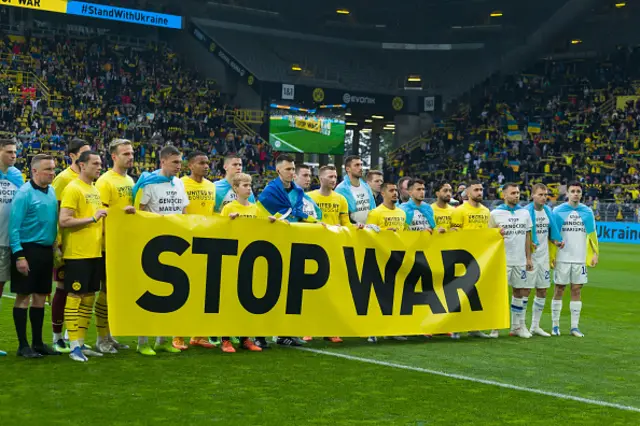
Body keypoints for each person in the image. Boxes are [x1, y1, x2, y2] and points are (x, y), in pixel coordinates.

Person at [132, 145, 189, 355]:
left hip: (174, 246)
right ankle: (142, 341)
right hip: (151, 245)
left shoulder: (179, 183)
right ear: (163, 161)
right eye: (175, 162)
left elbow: (183, 211)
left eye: (180, 162)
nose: (178, 166)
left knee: (172, 294)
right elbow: (139, 211)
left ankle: (163, 339)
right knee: (149, 294)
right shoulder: (148, 183)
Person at [219, 172, 277, 353]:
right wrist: (229, 222)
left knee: (246, 300)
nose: (248, 188)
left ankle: (245, 338)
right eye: (244, 185)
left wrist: (271, 222)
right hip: (232, 258)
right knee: (229, 301)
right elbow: (219, 230)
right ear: (235, 188)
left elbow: (261, 230)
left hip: (249, 259)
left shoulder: (255, 209)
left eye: (250, 184)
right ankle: (225, 339)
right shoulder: (229, 208)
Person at [59, 151, 107, 362]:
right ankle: (73, 346)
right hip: (77, 253)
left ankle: (81, 342)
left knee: (88, 298)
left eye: (100, 163)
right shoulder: (73, 188)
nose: (99, 167)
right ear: (81, 165)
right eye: (95, 163)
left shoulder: (94, 189)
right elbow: (64, 221)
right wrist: (92, 218)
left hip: (94, 252)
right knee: (75, 296)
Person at [9, 154, 57, 358]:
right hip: (27, 250)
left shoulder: (52, 191)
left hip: (46, 252)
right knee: (23, 297)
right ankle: (23, 345)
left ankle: (38, 343)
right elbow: (14, 228)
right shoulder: (24, 194)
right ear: (34, 171)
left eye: (53, 169)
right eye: (48, 169)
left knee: (39, 297)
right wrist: (19, 256)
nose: (52, 173)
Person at [94, 139, 135, 354]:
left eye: (132, 153)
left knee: (115, 293)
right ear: (114, 157)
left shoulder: (130, 180)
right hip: (106, 245)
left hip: (123, 244)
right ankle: (102, 338)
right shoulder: (105, 181)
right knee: (105, 292)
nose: (130, 157)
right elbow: (99, 213)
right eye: (126, 153)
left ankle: (110, 335)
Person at [51, 138, 90, 353]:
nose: (87, 156)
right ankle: (57, 337)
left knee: (81, 291)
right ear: (73, 156)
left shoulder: (89, 179)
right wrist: (56, 242)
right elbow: (55, 211)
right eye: (83, 152)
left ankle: (71, 335)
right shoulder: (63, 179)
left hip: (84, 244)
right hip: (65, 242)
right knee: (63, 288)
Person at [307, 165, 352, 343]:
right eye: (330, 176)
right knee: (311, 290)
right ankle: (307, 328)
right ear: (321, 178)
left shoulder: (341, 199)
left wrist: (349, 229)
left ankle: (330, 329)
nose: (334, 179)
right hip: (313, 248)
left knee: (332, 291)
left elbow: (345, 222)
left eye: (335, 176)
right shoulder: (309, 197)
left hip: (334, 248)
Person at [551, 182, 599, 337]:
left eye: (578, 191)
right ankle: (555, 325)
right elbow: (551, 233)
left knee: (577, 289)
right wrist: (552, 253)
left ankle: (574, 327)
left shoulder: (587, 211)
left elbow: (592, 234)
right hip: (562, 257)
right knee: (559, 289)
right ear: (568, 193)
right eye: (573, 191)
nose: (576, 194)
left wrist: (594, 254)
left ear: (582, 193)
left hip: (579, 257)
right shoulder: (558, 211)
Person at [179, 150, 217, 350]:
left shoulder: (211, 186)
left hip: (206, 242)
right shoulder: (181, 183)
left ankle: (199, 335)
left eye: (207, 163)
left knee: (203, 291)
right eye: (201, 162)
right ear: (190, 165)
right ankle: (178, 335)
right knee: (183, 290)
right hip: (186, 242)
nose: (206, 166)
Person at [489, 183, 533, 339]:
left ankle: (518, 326)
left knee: (519, 292)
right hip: (502, 260)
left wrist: (528, 257)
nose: (517, 195)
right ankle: (494, 328)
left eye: (518, 192)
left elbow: (528, 235)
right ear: (504, 195)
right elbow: (489, 236)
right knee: (499, 294)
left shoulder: (524, 213)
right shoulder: (495, 213)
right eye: (513, 192)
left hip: (520, 260)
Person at [450, 181, 492, 339]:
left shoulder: (486, 211)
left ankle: (475, 327)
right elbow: (453, 233)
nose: (480, 192)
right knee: (460, 292)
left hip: (481, 256)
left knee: (477, 293)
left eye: (481, 189)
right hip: (462, 257)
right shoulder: (459, 211)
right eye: (476, 190)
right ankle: (455, 327)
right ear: (468, 194)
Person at [365, 182, 407, 343]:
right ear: (383, 193)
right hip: (379, 258)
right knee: (377, 296)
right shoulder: (375, 213)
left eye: (396, 190)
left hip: (397, 258)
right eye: (391, 191)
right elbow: (368, 235)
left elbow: (406, 233)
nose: (395, 193)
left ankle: (392, 329)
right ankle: (372, 330)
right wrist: (383, 233)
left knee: (395, 295)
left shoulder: (402, 213)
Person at [524, 183, 563, 337]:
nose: (543, 197)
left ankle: (535, 326)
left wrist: (556, 241)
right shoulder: (526, 212)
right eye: (540, 194)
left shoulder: (548, 211)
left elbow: (550, 233)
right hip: (530, 257)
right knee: (525, 291)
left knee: (542, 290)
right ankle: (521, 325)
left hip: (544, 257)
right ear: (532, 195)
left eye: (545, 194)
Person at [258, 154, 320, 224]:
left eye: (293, 169)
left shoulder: (298, 191)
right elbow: (261, 215)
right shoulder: (269, 191)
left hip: (294, 232)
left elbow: (299, 214)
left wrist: (315, 222)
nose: (291, 172)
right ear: (278, 170)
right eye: (288, 169)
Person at [335, 155, 376, 225]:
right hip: (351, 230)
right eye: (357, 165)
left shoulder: (366, 186)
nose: (360, 168)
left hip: (369, 229)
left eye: (361, 165)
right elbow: (339, 214)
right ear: (348, 169)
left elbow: (373, 209)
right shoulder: (340, 189)